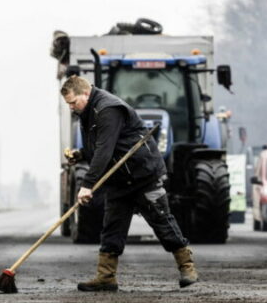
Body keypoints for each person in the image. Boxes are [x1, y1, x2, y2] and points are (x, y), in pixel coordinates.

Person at [60, 75, 198, 292]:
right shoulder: (86, 113)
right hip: (118, 179)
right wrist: (80, 154)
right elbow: (97, 148)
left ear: (85, 94)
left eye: (73, 102)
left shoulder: (108, 109)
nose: (71, 108)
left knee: (162, 220)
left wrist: (87, 185)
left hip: (143, 175)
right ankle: (106, 277)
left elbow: (104, 150)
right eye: (68, 104)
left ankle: (187, 267)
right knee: (112, 227)